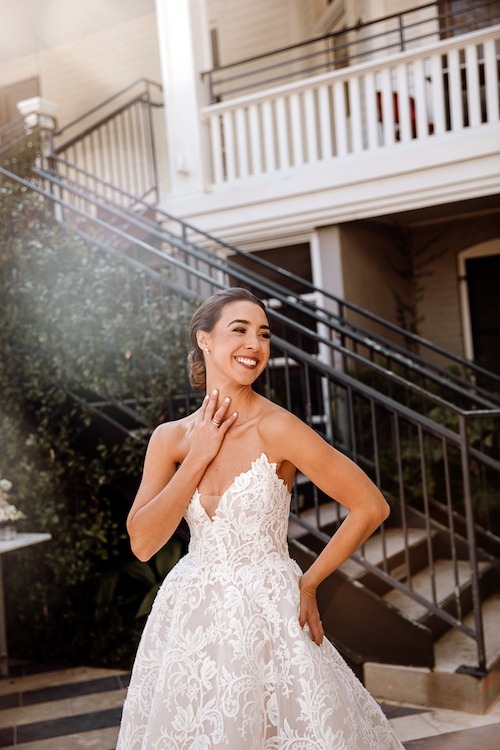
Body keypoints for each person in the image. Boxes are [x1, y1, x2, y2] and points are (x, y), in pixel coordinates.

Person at [116, 287, 404, 749]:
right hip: (191, 617)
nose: (256, 344)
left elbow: (371, 505)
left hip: (270, 612)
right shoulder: (169, 439)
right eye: (240, 330)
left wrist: (308, 584)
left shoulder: (277, 427)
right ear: (204, 340)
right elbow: (143, 543)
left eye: (264, 334)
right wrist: (197, 457)